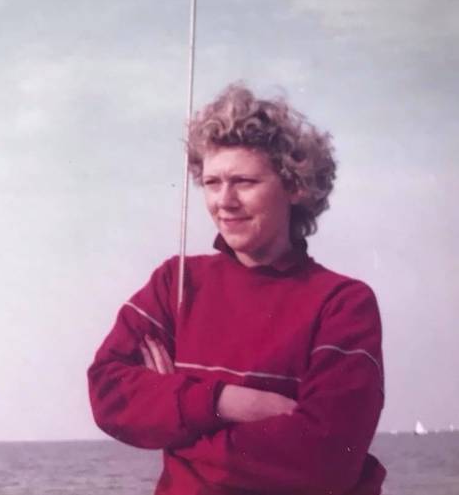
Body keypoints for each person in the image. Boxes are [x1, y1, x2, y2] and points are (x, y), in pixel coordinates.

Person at [87, 83, 386, 495]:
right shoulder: (176, 283)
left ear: (294, 186)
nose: (224, 201)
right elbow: (108, 392)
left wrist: (177, 424)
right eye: (212, 182)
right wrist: (225, 402)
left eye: (243, 181)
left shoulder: (342, 303)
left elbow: (327, 459)